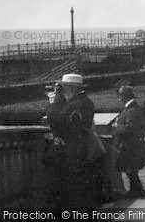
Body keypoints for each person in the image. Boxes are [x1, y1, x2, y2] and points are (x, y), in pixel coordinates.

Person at [46, 73, 107, 208]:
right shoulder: (83, 101)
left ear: (70, 88)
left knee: (78, 193)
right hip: (83, 153)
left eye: (63, 87)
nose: (61, 90)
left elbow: (56, 120)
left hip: (76, 155)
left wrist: (54, 102)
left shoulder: (77, 104)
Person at [113, 85, 145, 197]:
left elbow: (129, 128)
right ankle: (137, 190)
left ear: (124, 97)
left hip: (132, 146)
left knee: (129, 168)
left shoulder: (131, 110)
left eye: (120, 96)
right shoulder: (132, 108)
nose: (119, 99)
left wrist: (116, 127)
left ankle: (137, 190)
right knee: (130, 169)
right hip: (134, 145)